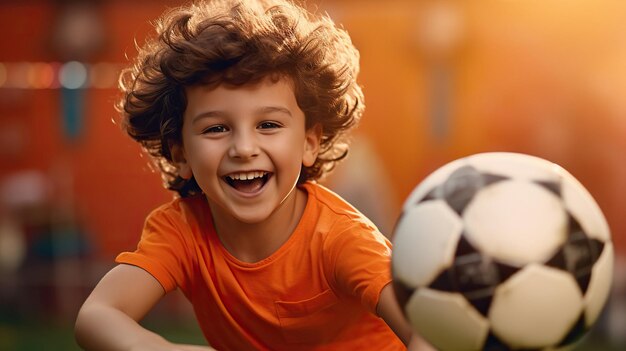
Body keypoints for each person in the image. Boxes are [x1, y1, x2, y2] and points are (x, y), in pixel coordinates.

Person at [75, 0, 430, 350]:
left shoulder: (343, 240)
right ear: (180, 153)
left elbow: (425, 335)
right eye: (216, 129)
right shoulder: (181, 232)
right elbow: (97, 314)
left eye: (268, 124)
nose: (243, 148)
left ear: (309, 142)